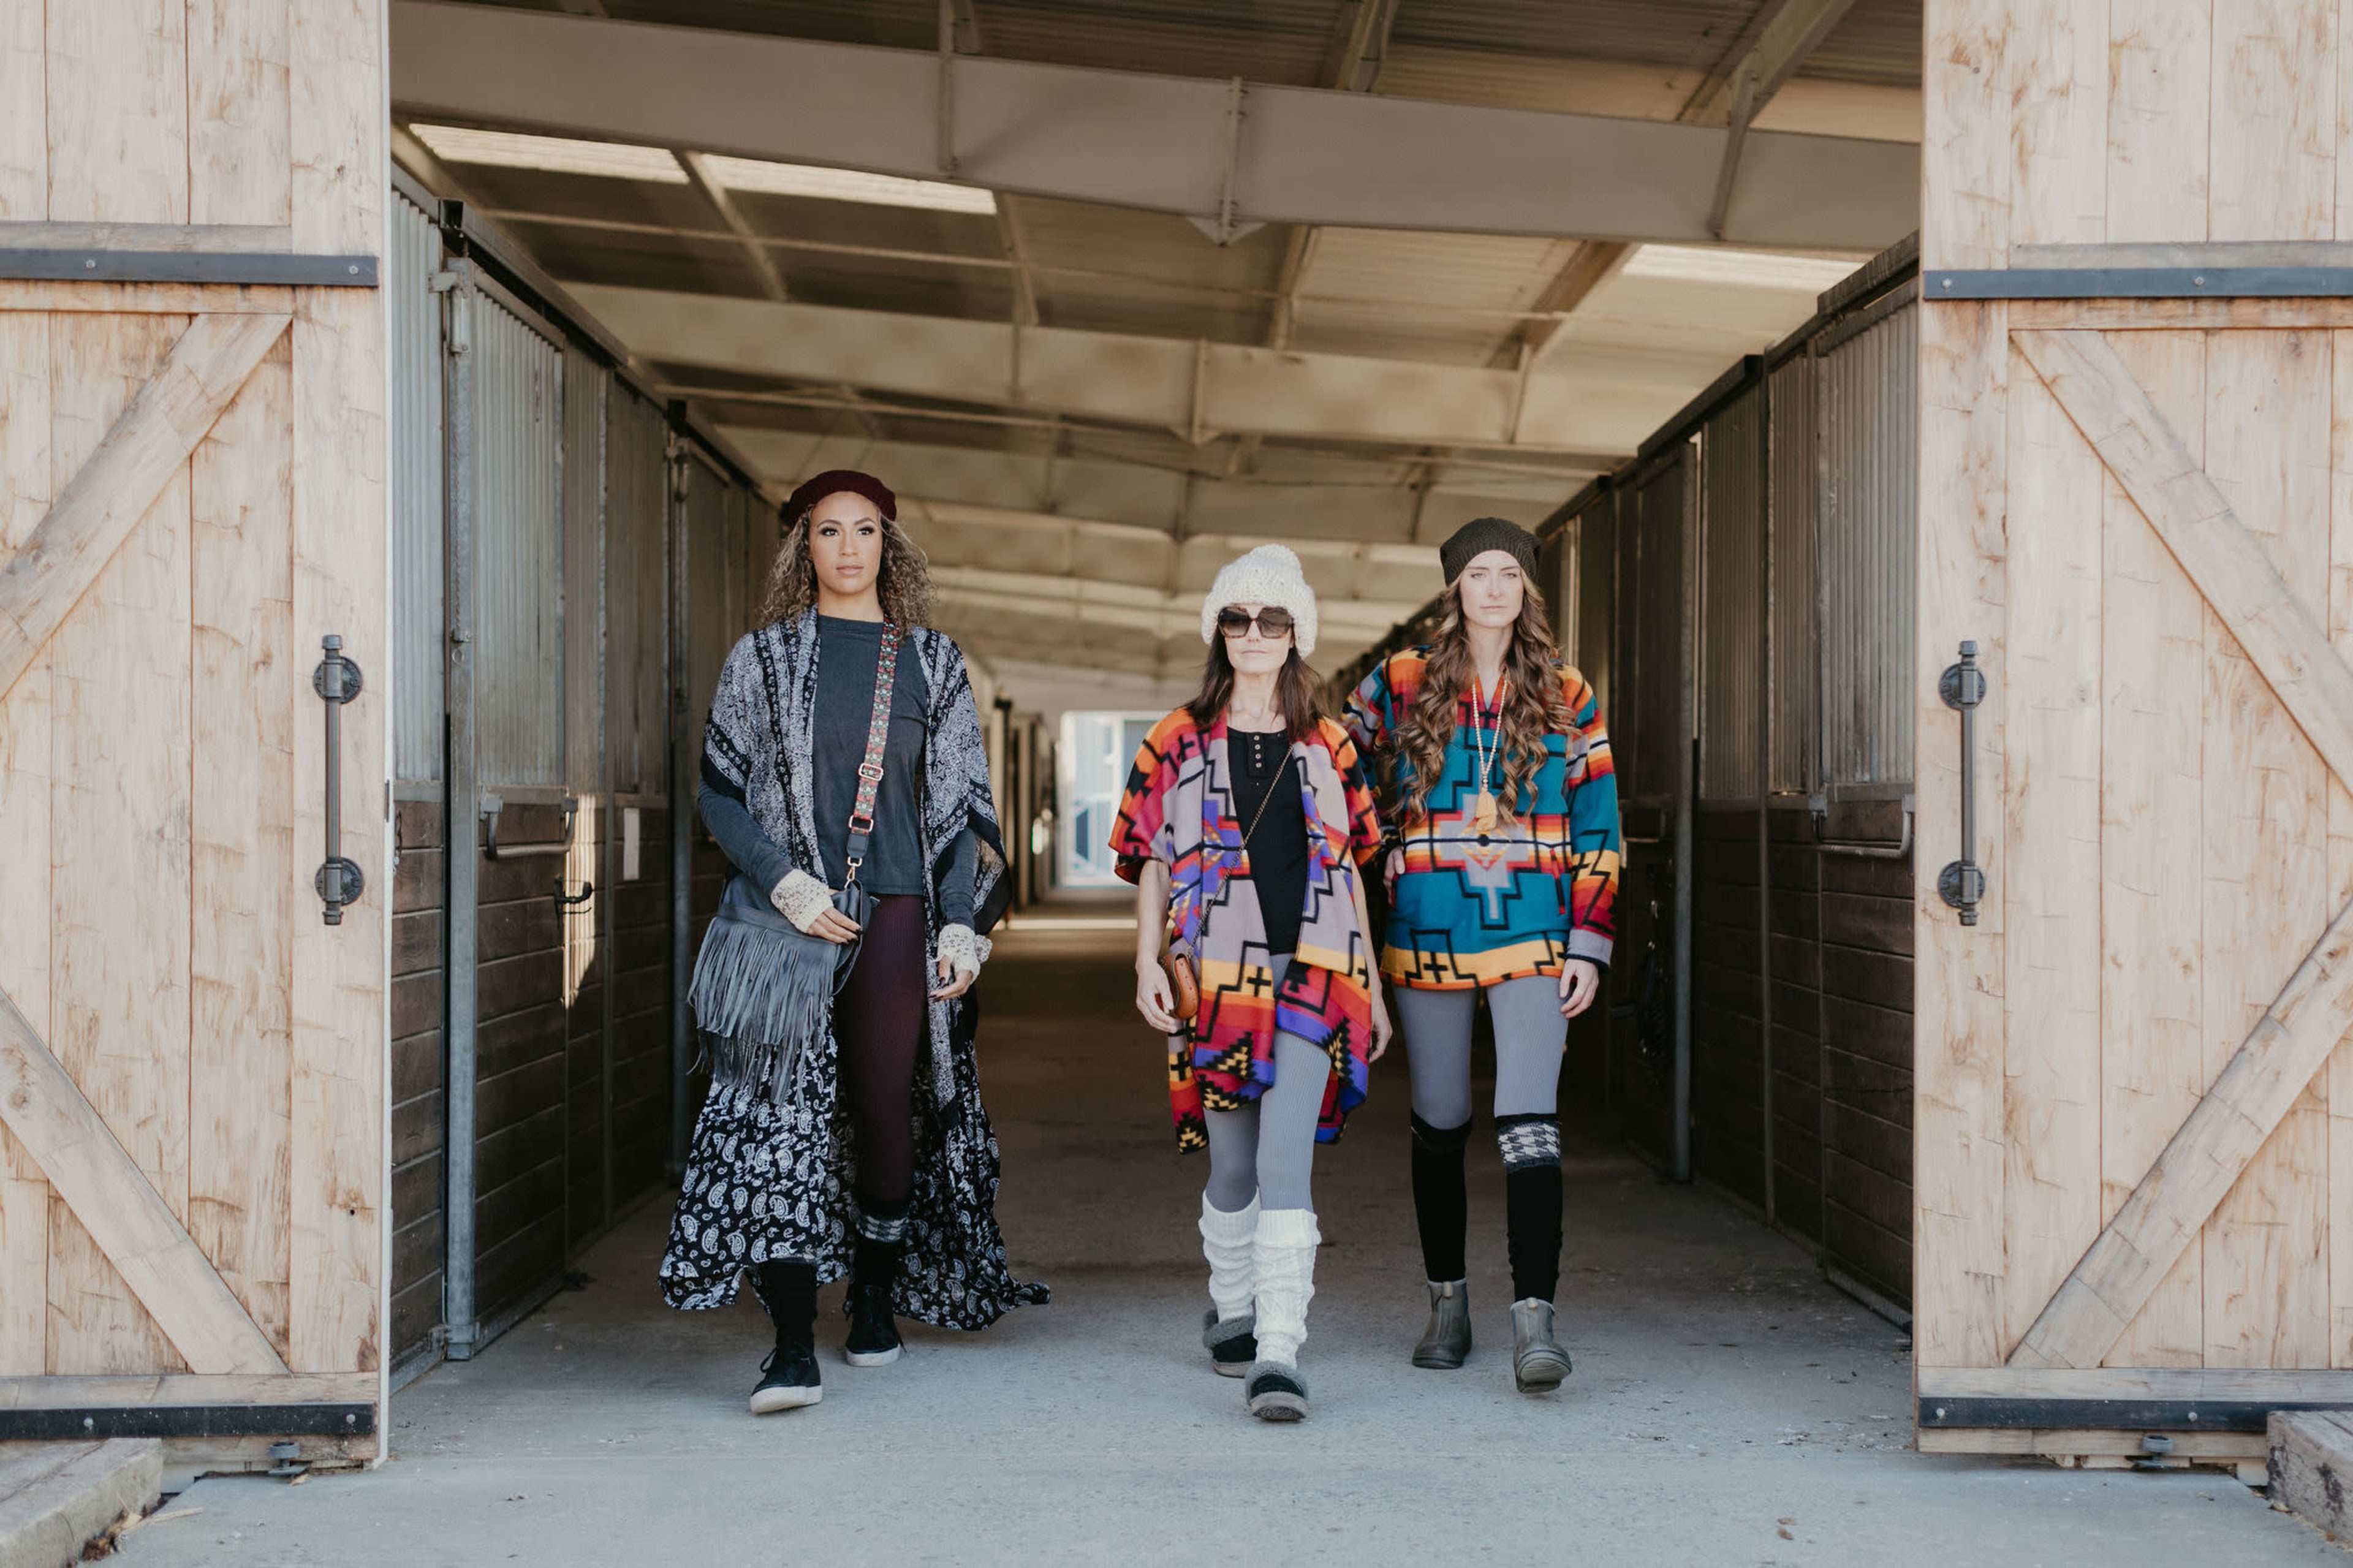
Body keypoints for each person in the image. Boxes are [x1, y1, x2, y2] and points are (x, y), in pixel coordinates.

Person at [659, 468, 1046, 1415]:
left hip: (901, 912)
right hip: (788, 924)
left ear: (890, 546)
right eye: (827, 532)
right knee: (777, 1118)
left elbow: (962, 814)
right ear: (803, 548)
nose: (846, 548)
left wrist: (962, 922)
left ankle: (871, 1295)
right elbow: (716, 787)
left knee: (881, 1106)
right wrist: (782, 881)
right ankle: (791, 1345)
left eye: (864, 531)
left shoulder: (935, 664)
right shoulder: (761, 661)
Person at [1112, 544, 1390, 1422]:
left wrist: (1374, 993)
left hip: (1316, 971)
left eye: (1274, 620)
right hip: (1218, 975)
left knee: (1283, 1162)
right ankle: (1234, 1308)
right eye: (1240, 618)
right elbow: (1152, 862)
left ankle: (1279, 1350)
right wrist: (1145, 961)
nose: (1256, 634)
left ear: (1296, 633)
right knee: (1231, 1166)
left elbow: (1352, 875)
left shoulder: (1333, 742)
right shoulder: (1177, 738)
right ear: (1219, 631)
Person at [1343, 517, 1620, 1394]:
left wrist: (1590, 941)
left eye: (1509, 574)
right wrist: (1380, 839)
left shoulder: (1568, 694)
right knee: (1439, 1121)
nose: (1494, 588)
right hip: (1426, 924)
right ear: (1454, 588)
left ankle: (1536, 1324)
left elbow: (1600, 823)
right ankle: (1447, 1305)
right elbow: (1332, 764)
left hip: (1536, 927)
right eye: (1478, 574)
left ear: (1527, 590)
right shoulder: (1399, 683)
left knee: (1530, 1123)